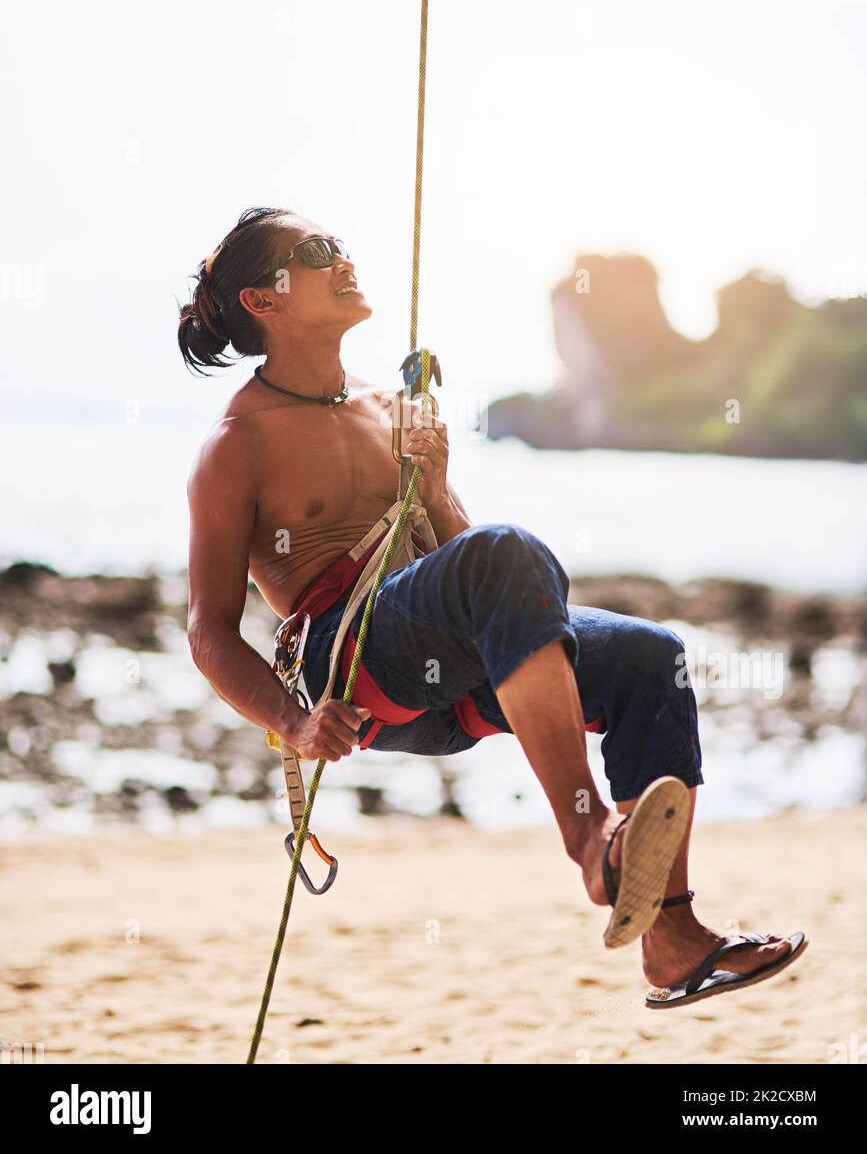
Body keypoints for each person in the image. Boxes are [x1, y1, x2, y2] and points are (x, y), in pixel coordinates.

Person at [178, 206, 806, 1007]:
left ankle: (673, 941)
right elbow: (208, 630)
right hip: (363, 670)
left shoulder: (385, 411)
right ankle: (587, 840)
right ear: (262, 301)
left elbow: (463, 557)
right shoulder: (236, 444)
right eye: (313, 252)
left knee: (652, 656)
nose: (342, 258)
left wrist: (435, 486)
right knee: (506, 553)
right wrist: (293, 724)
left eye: (338, 244)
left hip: (457, 673)